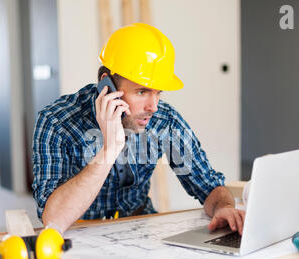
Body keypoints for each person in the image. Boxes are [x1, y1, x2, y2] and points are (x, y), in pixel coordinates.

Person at [32, 23, 245, 233]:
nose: (153, 107)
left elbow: (209, 186)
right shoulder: (57, 122)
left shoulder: (164, 119)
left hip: (140, 228)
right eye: (142, 92)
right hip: (79, 233)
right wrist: (110, 149)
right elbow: (53, 219)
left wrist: (224, 208)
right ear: (107, 86)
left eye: (158, 92)